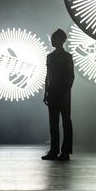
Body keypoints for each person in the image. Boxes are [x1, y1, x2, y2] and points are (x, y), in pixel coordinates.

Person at [42, 29, 74, 161]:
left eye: (54, 39)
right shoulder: (49, 57)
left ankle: (65, 152)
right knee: (53, 124)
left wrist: (66, 92)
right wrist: (46, 93)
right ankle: (54, 151)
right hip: (54, 94)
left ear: (61, 40)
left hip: (63, 94)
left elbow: (71, 76)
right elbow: (47, 76)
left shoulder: (67, 57)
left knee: (65, 123)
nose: (52, 41)